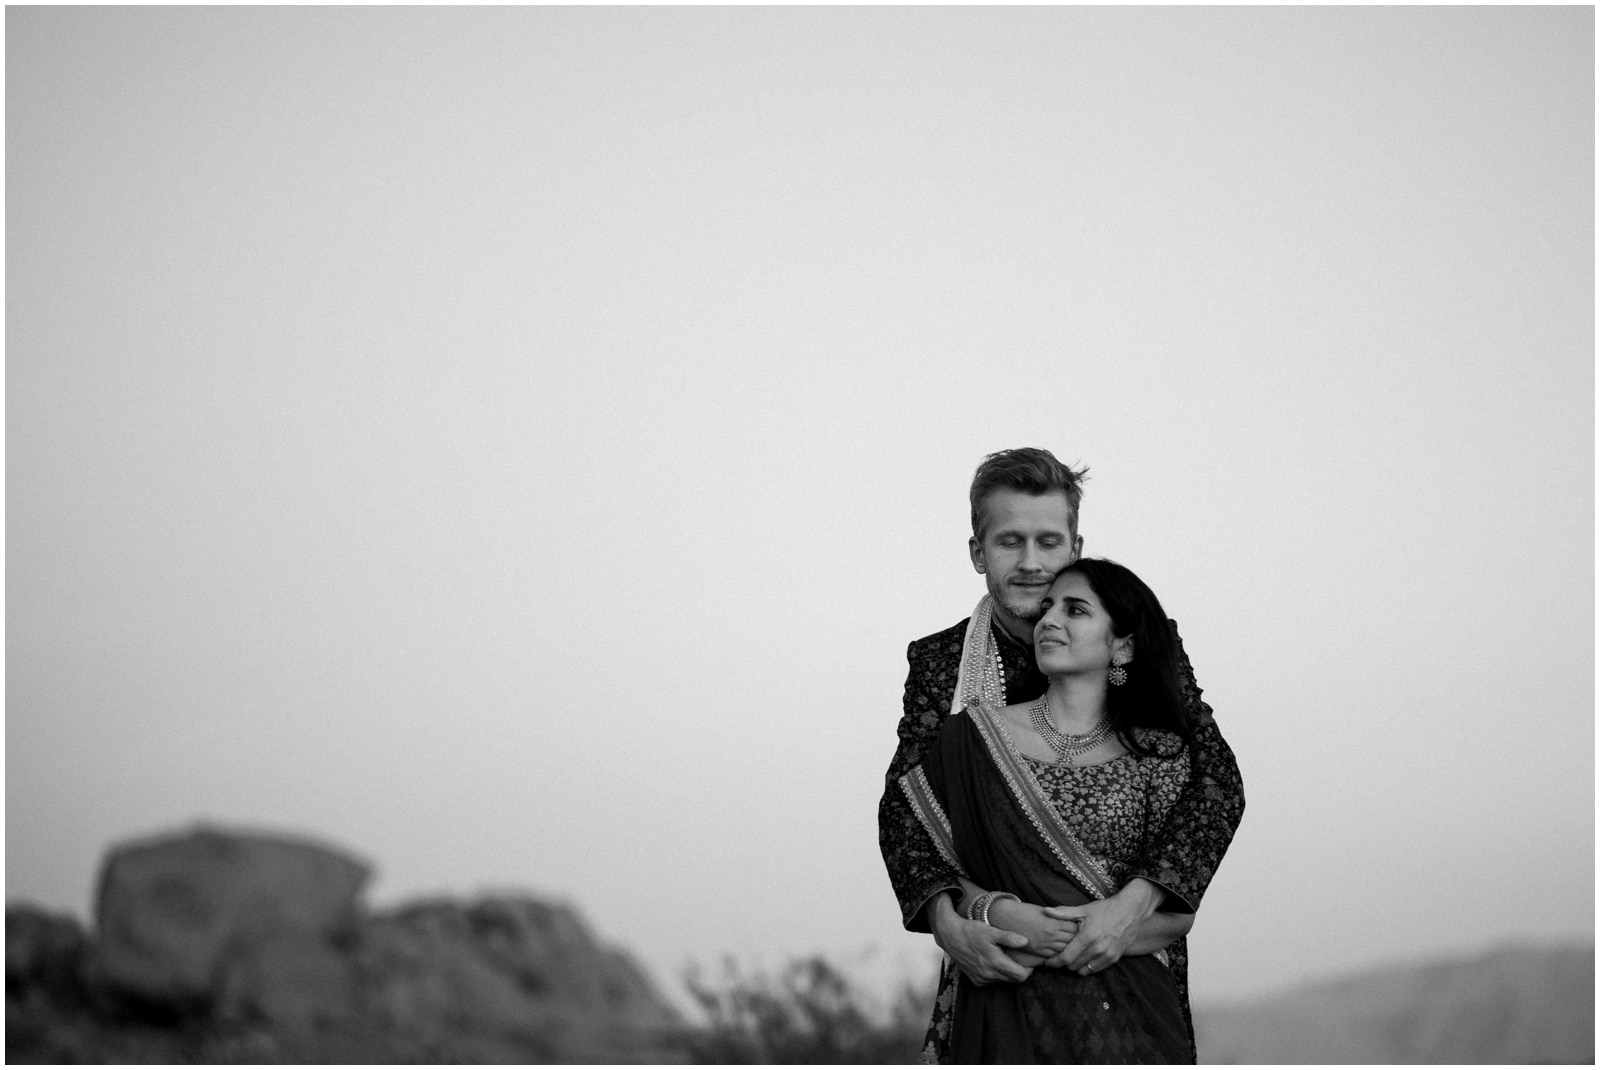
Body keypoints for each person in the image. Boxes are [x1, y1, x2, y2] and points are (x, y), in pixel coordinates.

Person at [878, 448, 1245, 1062]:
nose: (1030, 564)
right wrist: (949, 922)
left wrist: (1134, 906)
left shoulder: (1139, 641)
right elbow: (905, 811)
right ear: (977, 552)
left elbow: (1216, 784)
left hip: (1126, 967)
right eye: (1008, 542)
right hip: (999, 967)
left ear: (1075, 546)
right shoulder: (943, 663)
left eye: (1049, 542)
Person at [899, 558, 1203, 1062]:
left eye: (1075, 610)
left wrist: (1070, 940)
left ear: (1122, 646)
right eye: (1047, 608)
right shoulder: (971, 738)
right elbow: (935, 862)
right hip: (1003, 998)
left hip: (1127, 1019)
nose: (1049, 620)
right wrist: (995, 913)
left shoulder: (1161, 754)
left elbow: (1175, 914)